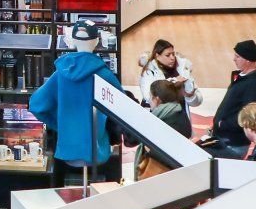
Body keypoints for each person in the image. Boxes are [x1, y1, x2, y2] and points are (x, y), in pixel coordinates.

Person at [28, 21, 123, 171]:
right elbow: (122, 107)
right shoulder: (104, 74)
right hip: (97, 149)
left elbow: (36, 105)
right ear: (98, 41)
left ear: (71, 41)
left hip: (69, 148)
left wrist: (60, 124)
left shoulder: (60, 74)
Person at [206, 38, 256, 152]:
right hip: (225, 137)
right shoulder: (241, 77)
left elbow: (247, 113)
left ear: (248, 60)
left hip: (234, 141)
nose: (234, 59)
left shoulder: (253, 84)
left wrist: (222, 124)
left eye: (238, 56)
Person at [137, 38, 201, 108]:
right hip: (157, 115)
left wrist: (190, 96)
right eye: (168, 55)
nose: (172, 58)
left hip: (180, 115)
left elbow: (197, 102)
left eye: (173, 54)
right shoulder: (149, 71)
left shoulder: (183, 68)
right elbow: (148, 96)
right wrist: (174, 81)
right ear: (157, 56)